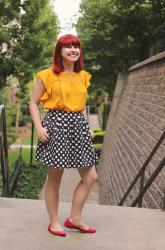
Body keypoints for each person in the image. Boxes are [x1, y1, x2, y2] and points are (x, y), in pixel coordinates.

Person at [29, 34, 98, 237]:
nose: (73, 50)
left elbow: (80, 104)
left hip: (78, 125)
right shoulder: (48, 75)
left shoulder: (83, 76)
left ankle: (74, 218)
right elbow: (33, 102)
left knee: (91, 176)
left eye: (76, 46)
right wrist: (39, 127)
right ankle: (54, 222)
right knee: (55, 177)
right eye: (68, 47)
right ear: (59, 51)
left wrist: (86, 126)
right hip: (56, 125)